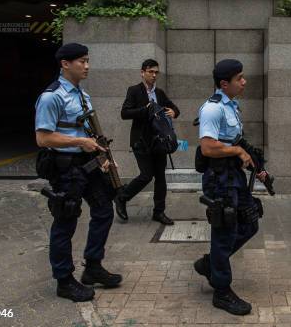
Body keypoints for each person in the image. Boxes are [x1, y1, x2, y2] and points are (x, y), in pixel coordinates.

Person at [35, 43, 122, 302]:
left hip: (87, 164)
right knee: (66, 221)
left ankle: (93, 266)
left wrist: (102, 157)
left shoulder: (82, 95)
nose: (87, 66)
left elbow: (88, 131)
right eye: (81, 61)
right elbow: (43, 138)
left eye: (87, 61)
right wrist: (78, 143)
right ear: (65, 64)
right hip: (65, 168)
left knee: (105, 210)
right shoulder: (52, 96)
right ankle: (64, 281)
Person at [193, 59, 267, 316]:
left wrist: (253, 160)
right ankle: (222, 292)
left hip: (233, 176)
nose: (244, 81)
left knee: (250, 222)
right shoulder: (212, 109)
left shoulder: (231, 106)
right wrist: (236, 150)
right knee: (224, 233)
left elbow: (234, 139)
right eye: (239, 78)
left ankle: (211, 263)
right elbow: (208, 147)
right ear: (225, 84)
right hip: (220, 180)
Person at [114, 59, 180, 224]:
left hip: (159, 142)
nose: (154, 75)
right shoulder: (134, 91)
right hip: (141, 141)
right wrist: (146, 110)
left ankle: (159, 212)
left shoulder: (160, 93)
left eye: (156, 72)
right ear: (142, 72)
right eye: (150, 71)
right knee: (146, 175)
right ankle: (122, 197)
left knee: (160, 178)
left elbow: (174, 108)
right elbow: (125, 113)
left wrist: (174, 112)